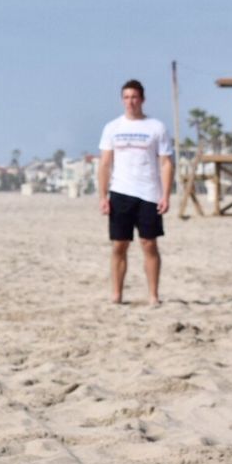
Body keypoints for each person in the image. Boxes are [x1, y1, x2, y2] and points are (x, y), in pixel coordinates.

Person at [97, 79, 174, 306]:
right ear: (122, 100)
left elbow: (166, 163)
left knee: (149, 244)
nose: (130, 101)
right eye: (127, 97)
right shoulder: (112, 128)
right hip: (120, 192)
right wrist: (103, 196)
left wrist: (166, 195)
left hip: (149, 193)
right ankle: (116, 294)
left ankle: (153, 295)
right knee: (119, 244)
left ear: (142, 99)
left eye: (134, 97)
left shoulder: (156, 127)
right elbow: (104, 164)